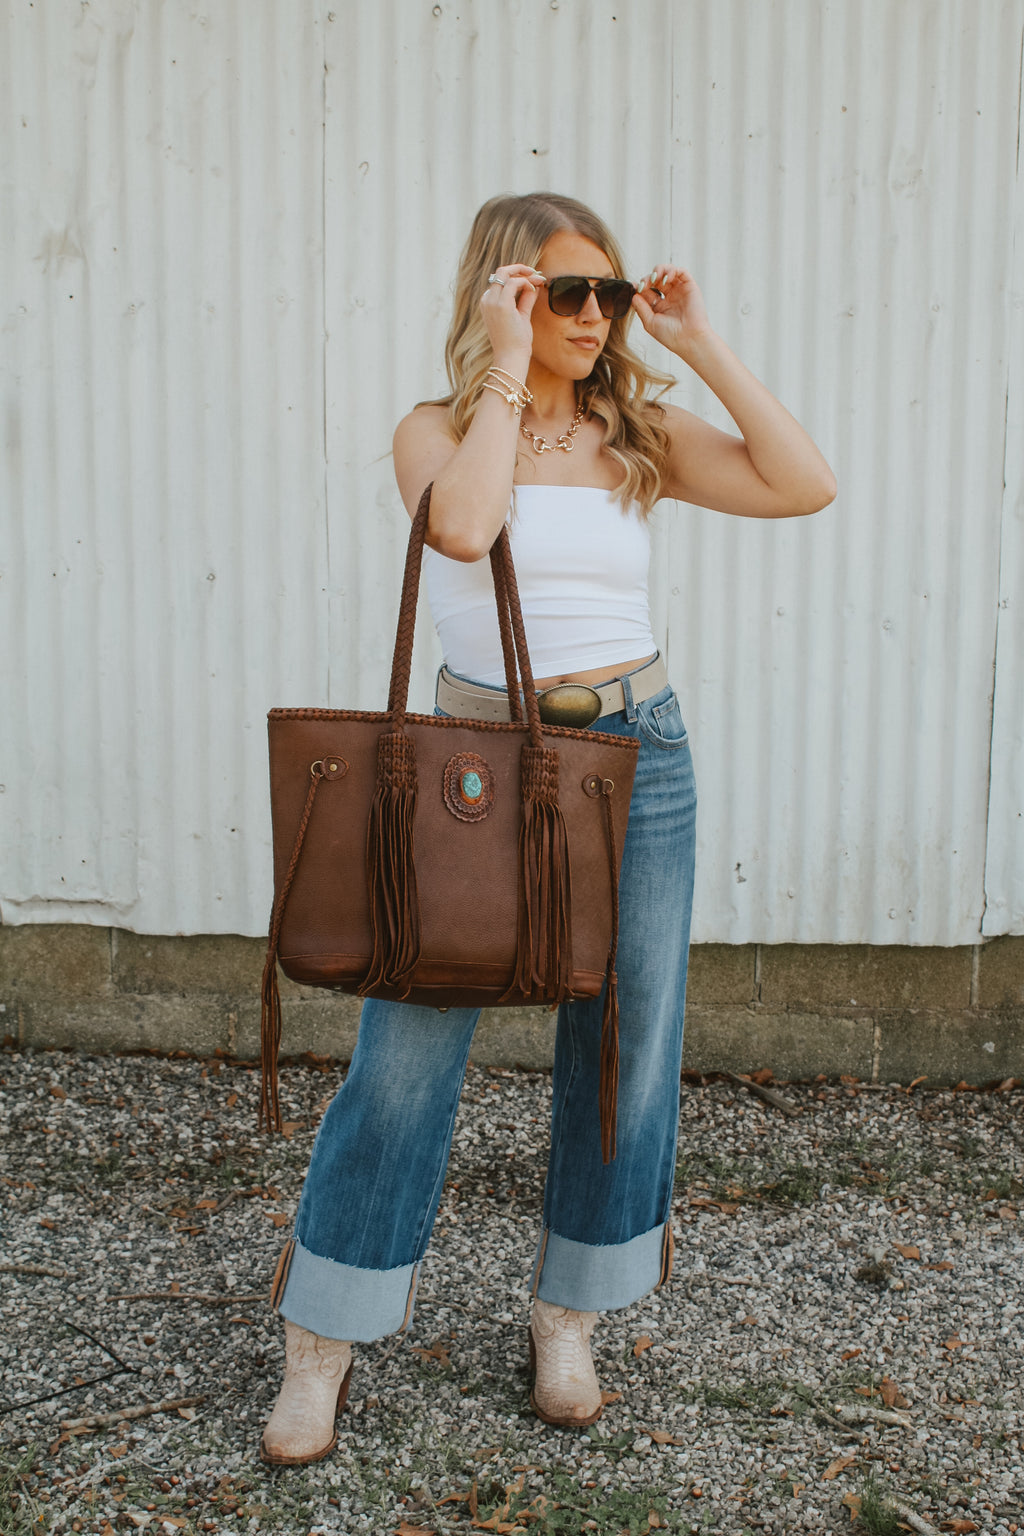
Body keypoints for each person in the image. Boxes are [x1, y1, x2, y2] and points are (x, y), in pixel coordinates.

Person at [260, 192, 836, 1465]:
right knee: (408, 1048)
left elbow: (805, 486)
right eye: (562, 293)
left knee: (624, 1038)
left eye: (607, 294)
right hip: (474, 762)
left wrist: (702, 345)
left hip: (638, 755)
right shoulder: (438, 429)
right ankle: (325, 1339)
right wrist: (507, 375)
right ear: (503, 297)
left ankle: (567, 1312)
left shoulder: (639, 433)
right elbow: (464, 529)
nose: (593, 316)